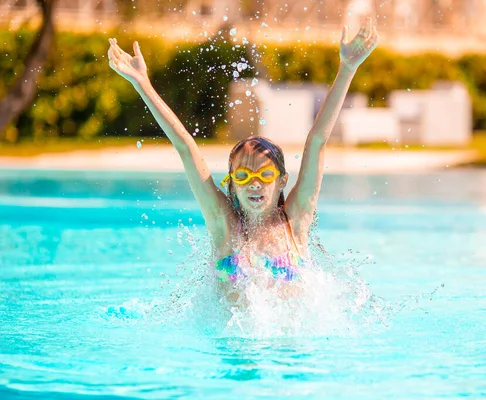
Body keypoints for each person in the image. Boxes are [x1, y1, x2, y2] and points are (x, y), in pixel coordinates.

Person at [107, 18, 379, 299]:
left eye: (265, 175)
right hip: (228, 344)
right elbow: (186, 147)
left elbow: (318, 140)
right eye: (243, 176)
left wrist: (347, 68)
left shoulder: (296, 222)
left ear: (283, 180)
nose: (254, 184)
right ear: (232, 183)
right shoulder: (223, 224)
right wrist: (142, 84)